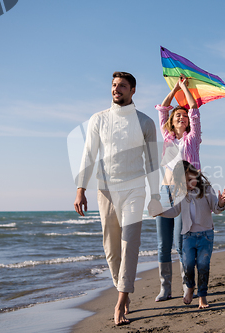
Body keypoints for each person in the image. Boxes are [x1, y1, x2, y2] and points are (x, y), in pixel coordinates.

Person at [73, 71, 161, 326]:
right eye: (113, 85)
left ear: (133, 90)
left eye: (122, 85)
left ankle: (121, 300)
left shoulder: (145, 122)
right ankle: (122, 287)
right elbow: (88, 154)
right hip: (106, 191)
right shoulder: (98, 119)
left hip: (135, 190)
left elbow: (153, 163)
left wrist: (155, 196)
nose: (116, 89)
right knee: (112, 251)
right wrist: (81, 188)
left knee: (129, 244)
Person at [154, 75, 201, 302]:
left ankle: (186, 285)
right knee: (163, 243)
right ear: (172, 122)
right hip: (165, 191)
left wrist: (184, 86)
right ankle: (165, 288)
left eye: (184, 116)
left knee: (181, 242)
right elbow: (163, 108)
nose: (182, 117)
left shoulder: (193, 139)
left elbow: (194, 108)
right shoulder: (167, 138)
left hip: (188, 194)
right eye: (177, 116)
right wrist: (174, 89)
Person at [158, 161, 225, 309]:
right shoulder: (181, 194)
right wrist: (160, 212)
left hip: (206, 236)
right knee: (187, 265)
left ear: (196, 174)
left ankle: (202, 297)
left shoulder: (207, 190)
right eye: (184, 182)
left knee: (203, 266)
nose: (189, 184)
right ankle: (189, 287)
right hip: (188, 236)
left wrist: (221, 203)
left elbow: (216, 209)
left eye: (190, 179)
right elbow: (175, 211)